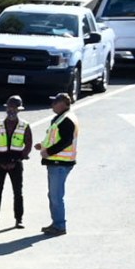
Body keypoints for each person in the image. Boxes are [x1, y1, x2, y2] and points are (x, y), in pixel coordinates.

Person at [0, 95, 31, 229]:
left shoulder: (24, 126)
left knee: (17, 191)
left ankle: (19, 219)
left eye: (15, 109)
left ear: (19, 110)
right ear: (6, 109)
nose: (12, 111)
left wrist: (20, 158)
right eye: (10, 108)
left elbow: (28, 144)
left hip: (15, 163)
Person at [40, 92, 78, 234]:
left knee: (56, 196)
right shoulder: (60, 118)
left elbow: (66, 141)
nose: (52, 105)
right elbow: (54, 138)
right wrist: (43, 146)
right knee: (53, 195)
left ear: (62, 104)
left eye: (55, 102)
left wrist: (48, 152)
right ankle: (56, 223)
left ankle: (59, 225)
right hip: (58, 162)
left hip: (60, 163)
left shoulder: (66, 119)